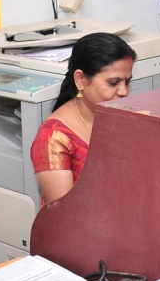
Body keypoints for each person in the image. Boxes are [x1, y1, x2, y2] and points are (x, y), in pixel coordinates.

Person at [29, 32, 136, 205]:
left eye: (127, 82)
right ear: (80, 80)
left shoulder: (119, 116)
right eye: (113, 83)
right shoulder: (54, 138)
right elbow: (66, 214)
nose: (124, 92)